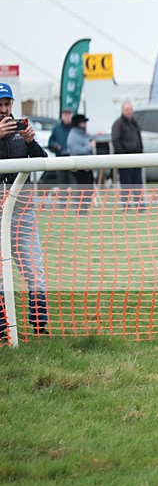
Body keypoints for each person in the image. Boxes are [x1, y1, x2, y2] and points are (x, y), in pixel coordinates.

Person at [0, 83, 49, 338]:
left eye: (7, 103)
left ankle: (40, 327)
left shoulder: (21, 131)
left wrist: (31, 142)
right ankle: (1, 329)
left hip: (23, 210)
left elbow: (43, 161)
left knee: (35, 270)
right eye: (0, 104)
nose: (4, 109)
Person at [110, 101, 144, 210]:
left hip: (137, 158)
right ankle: (126, 205)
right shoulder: (118, 124)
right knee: (126, 183)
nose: (129, 112)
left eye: (130, 109)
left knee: (138, 182)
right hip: (125, 159)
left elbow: (138, 138)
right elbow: (115, 140)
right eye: (127, 110)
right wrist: (122, 155)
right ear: (122, 111)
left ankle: (139, 205)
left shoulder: (134, 123)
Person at [66, 113, 95, 214]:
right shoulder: (73, 135)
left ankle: (84, 209)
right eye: (83, 122)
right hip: (79, 167)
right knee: (81, 189)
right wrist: (89, 147)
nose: (85, 124)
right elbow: (77, 150)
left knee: (88, 189)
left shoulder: (82, 134)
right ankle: (81, 209)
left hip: (86, 166)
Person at [47, 108, 74, 190]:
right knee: (62, 186)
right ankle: (62, 202)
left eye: (69, 114)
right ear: (62, 116)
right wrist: (56, 146)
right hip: (60, 160)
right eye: (65, 114)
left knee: (75, 186)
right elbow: (50, 143)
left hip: (73, 160)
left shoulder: (75, 128)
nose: (67, 117)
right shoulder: (57, 129)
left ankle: (76, 202)